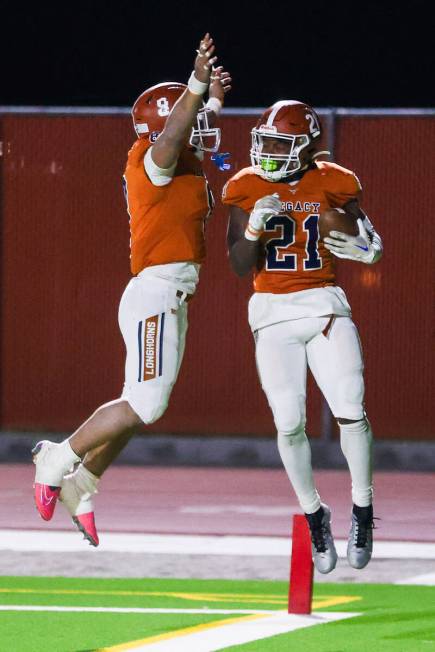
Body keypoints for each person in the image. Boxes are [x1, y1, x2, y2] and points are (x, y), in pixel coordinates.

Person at [32, 33, 231, 547]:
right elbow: (170, 136)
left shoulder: (182, 160)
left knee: (140, 400)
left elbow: (187, 129)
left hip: (171, 294)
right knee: (145, 403)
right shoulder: (153, 157)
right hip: (156, 293)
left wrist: (211, 99)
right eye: (191, 121)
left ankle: (85, 482)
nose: (202, 130)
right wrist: (196, 83)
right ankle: (59, 456)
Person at [223, 100, 382, 573]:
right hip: (272, 313)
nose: (268, 152)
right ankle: (315, 514)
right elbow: (237, 264)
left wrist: (364, 250)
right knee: (289, 423)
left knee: (350, 410)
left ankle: (363, 510)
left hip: (324, 305)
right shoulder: (245, 186)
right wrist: (253, 227)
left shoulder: (335, 180)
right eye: (264, 142)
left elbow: (371, 243)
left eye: (279, 144)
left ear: (305, 145)